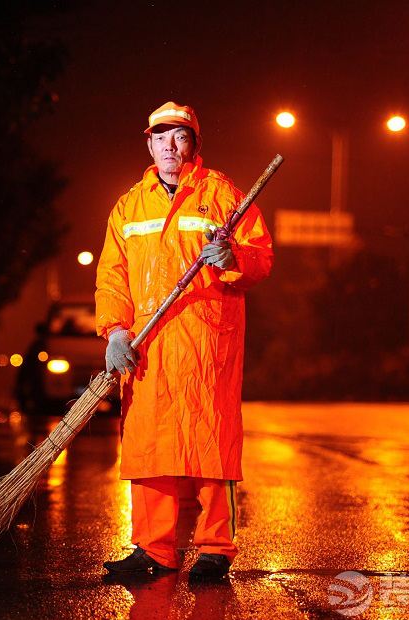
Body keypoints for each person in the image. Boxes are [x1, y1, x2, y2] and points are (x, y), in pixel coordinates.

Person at [95, 101, 273, 581]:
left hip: (206, 342)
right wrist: (115, 331)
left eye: (180, 137)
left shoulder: (223, 195)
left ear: (194, 144)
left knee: (211, 445)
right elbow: (112, 276)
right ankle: (154, 551)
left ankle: (216, 548)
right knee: (149, 444)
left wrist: (230, 254)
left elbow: (260, 260)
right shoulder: (129, 206)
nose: (170, 146)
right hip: (148, 346)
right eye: (160, 137)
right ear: (148, 144)